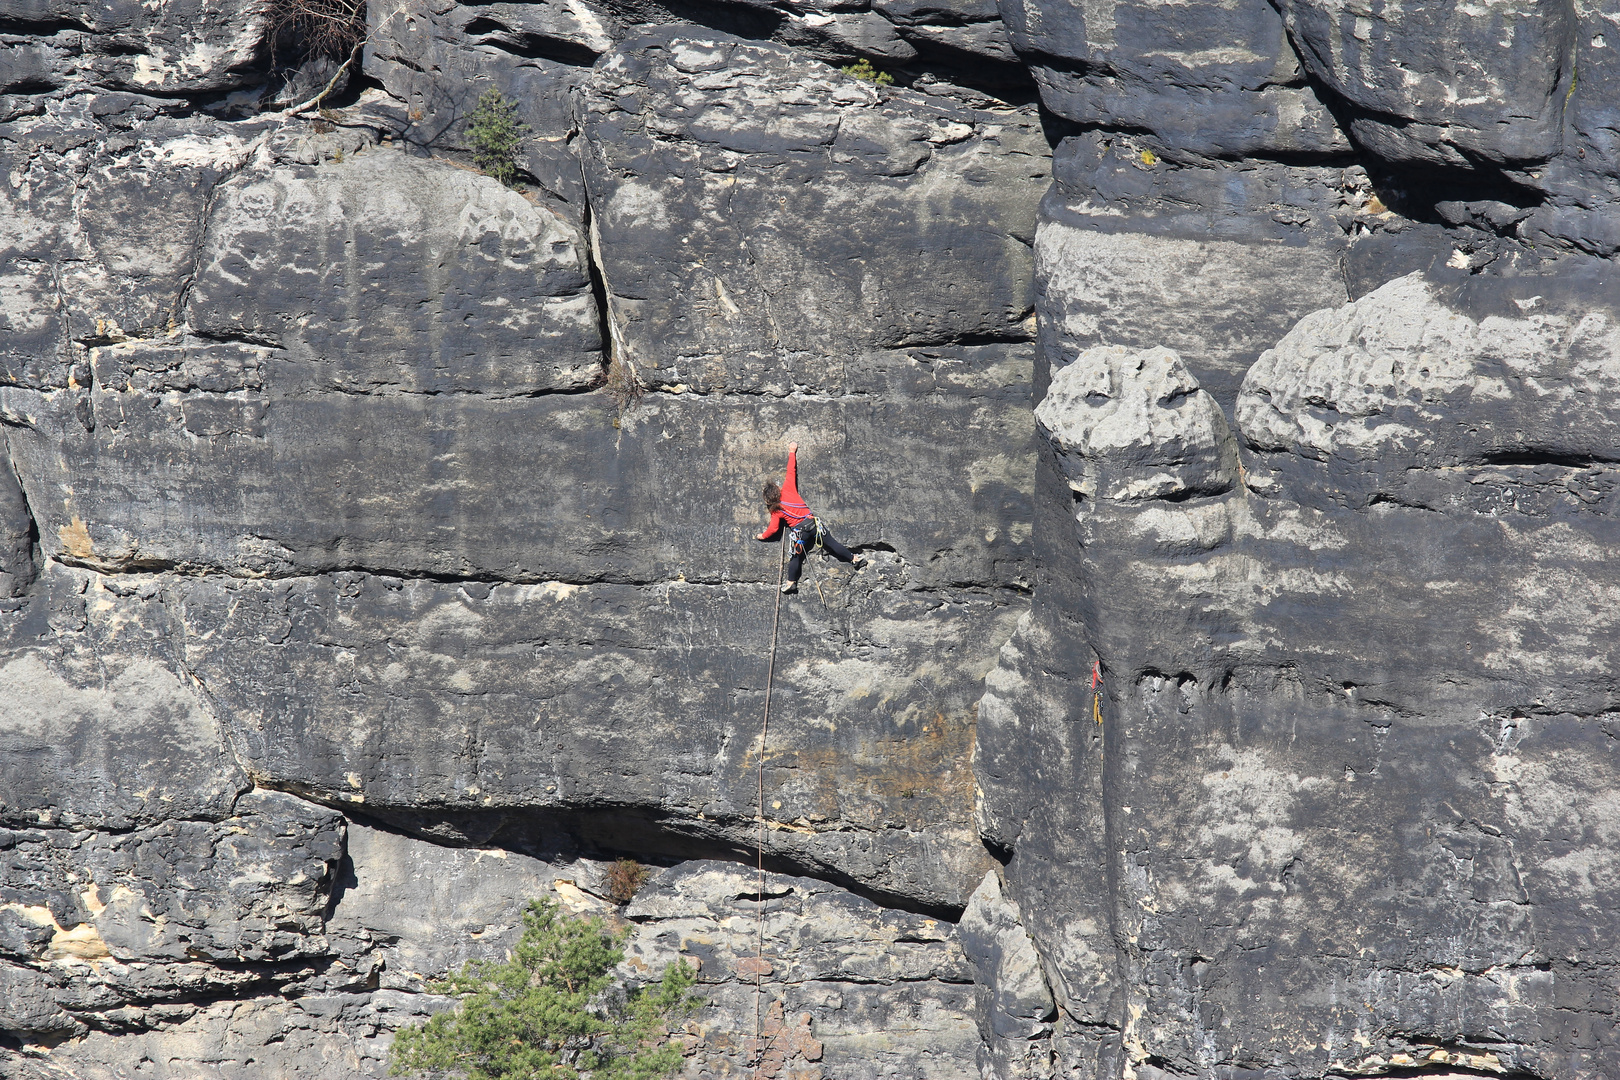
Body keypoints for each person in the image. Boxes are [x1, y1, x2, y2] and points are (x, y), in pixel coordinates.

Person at [757, 441, 864, 594]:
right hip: (813, 524)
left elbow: (773, 529)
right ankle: (854, 558)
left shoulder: (775, 511)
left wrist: (762, 536)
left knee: (795, 557)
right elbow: (791, 471)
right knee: (832, 543)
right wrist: (792, 451)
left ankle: (791, 582)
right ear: (778, 489)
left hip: (800, 532)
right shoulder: (788, 488)